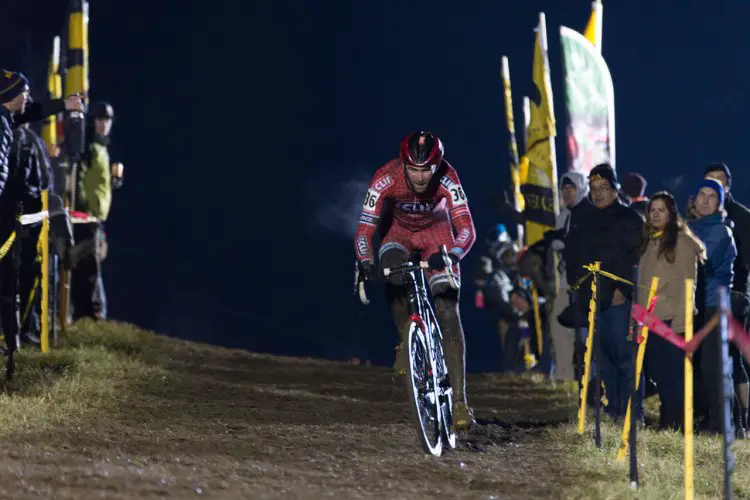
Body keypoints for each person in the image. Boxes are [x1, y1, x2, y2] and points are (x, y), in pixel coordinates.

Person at [354, 131, 476, 430]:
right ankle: (404, 339)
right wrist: (365, 260)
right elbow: (364, 231)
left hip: (438, 236)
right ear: (403, 165)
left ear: (438, 166)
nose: (420, 177)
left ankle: (460, 402)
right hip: (398, 234)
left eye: (426, 170)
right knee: (391, 271)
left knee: (447, 307)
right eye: (414, 170)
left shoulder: (448, 176)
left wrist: (453, 255)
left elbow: (467, 229)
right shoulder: (386, 176)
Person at [574, 163, 644, 419]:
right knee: (604, 361)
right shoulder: (586, 219)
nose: (599, 193)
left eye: (604, 188)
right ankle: (614, 408)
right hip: (594, 300)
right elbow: (579, 257)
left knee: (626, 358)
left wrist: (621, 291)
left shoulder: (630, 219)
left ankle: (633, 413)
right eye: (594, 189)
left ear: (614, 189)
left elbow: (635, 258)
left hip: (618, 300)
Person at [639, 192, 705, 430]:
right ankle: (670, 420)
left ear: (671, 213)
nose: (656, 215)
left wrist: (681, 324)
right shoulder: (650, 242)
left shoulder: (682, 243)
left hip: (672, 320)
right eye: (652, 210)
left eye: (661, 210)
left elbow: (690, 284)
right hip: (652, 320)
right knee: (659, 374)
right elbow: (642, 286)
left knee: (672, 377)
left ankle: (674, 424)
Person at [703, 163, 750, 436]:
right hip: (706, 297)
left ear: (728, 186)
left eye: (719, 182)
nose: (713, 188)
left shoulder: (741, 217)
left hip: (734, 295)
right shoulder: (700, 213)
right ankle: (722, 416)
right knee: (717, 359)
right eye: (709, 182)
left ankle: (741, 419)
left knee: (732, 357)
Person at [689, 178, 737, 434]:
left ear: (720, 203)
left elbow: (701, 264)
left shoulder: (720, 230)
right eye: (701, 195)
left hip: (713, 307)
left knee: (713, 368)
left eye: (712, 197)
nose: (705, 200)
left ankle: (723, 424)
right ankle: (706, 417)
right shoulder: (690, 227)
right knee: (698, 366)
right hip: (693, 305)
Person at [72, 102, 115, 320]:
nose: (103, 124)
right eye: (99, 119)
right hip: (85, 217)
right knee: (88, 270)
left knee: (93, 267)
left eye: (107, 120)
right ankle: (90, 316)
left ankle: (94, 314)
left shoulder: (101, 147)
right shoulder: (90, 146)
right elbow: (78, 177)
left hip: (95, 217)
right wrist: (81, 208)